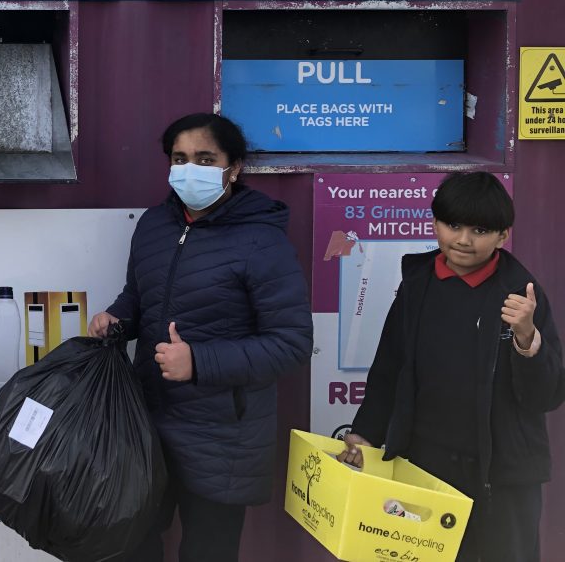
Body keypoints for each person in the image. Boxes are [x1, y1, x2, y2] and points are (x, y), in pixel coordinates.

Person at [88, 112, 312, 562]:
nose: (191, 169)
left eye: (206, 159)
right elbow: (140, 294)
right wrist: (117, 318)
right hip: (146, 424)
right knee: (130, 544)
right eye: (181, 158)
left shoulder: (261, 240)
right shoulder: (154, 225)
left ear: (235, 167)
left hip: (222, 436)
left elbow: (291, 342)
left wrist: (200, 362)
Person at [337, 171, 565, 562]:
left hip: (503, 477)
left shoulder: (521, 293)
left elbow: (546, 395)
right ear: (435, 223)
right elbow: (389, 368)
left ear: (503, 236)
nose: (463, 239)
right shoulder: (418, 282)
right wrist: (365, 433)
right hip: (425, 468)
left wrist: (528, 337)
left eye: (479, 229)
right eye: (453, 224)